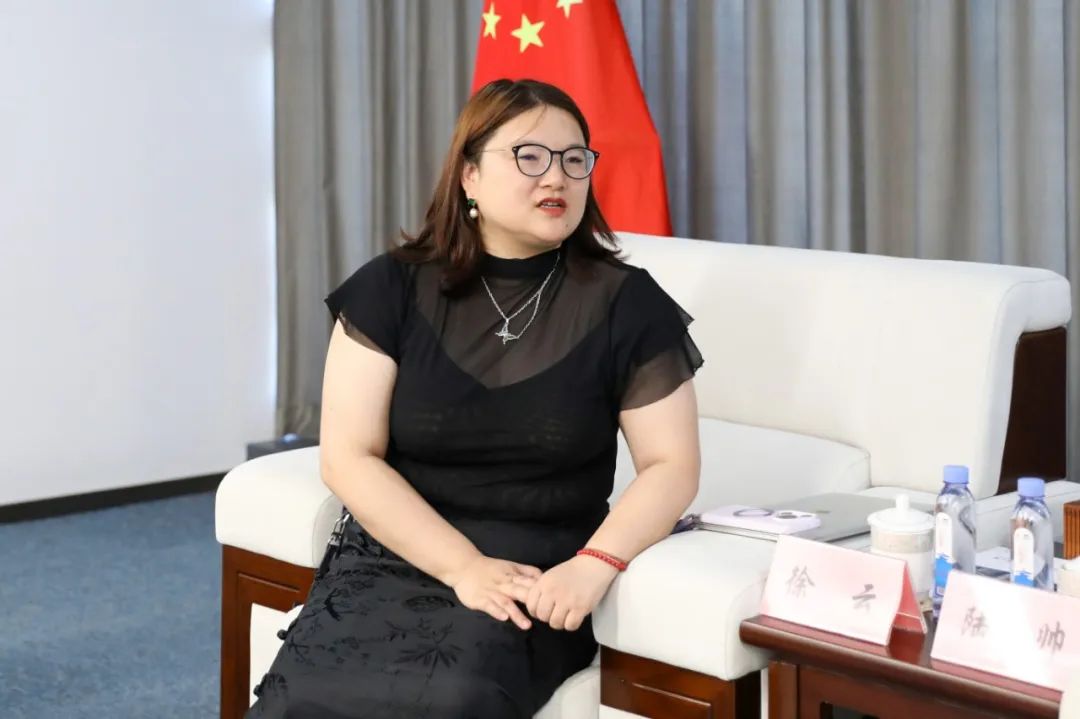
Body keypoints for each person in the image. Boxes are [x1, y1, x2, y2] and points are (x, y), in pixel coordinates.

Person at [249, 78, 703, 719]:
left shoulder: (628, 303)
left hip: (536, 578)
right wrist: (462, 567)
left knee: (453, 698)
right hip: (399, 553)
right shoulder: (390, 289)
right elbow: (348, 457)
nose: (557, 176)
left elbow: (671, 464)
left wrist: (594, 565)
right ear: (469, 176)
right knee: (306, 699)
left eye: (575, 159)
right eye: (530, 157)